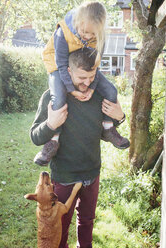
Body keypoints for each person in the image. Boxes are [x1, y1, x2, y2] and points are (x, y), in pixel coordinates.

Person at [30, 47, 126, 247]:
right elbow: (35, 137)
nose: (87, 82)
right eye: (82, 77)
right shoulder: (52, 98)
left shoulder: (99, 96)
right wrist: (50, 125)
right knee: (61, 226)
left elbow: (102, 132)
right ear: (68, 71)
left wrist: (120, 117)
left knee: (87, 222)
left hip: (92, 172)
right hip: (64, 176)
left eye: (91, 77)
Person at [34, 1, 129, 166]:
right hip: (59, 65)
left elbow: (96, 65)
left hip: (83, 66)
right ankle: (53, 141)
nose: (87, 37)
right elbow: (62, 65)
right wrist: (71, 90)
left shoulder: (99, 36)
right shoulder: (62, 33)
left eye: (92, 34)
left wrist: (92, 88)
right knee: (58, 98)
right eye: (84, 32)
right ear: (77, 23)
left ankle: (108, 129)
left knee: (111, 91)